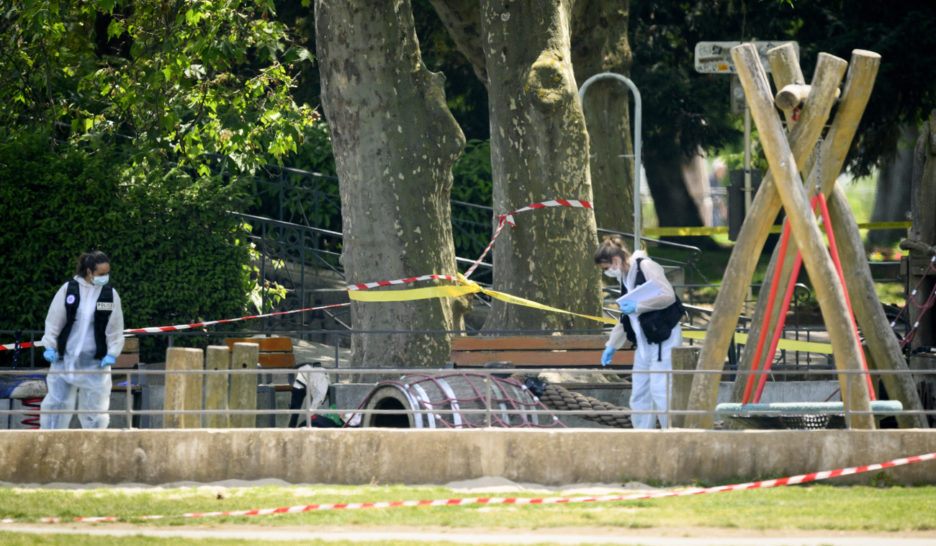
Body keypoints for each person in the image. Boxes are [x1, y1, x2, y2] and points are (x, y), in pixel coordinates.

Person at [594, 237, 683, 429]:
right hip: (644, 342)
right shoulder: (625, 279)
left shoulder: (646, 266)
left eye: (605, 268)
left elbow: (667, 295)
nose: (606, 272)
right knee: (640, 393)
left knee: (661, 390)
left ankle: (673, 432)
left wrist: (639, 305)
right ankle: (642, 434)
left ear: (616, 261)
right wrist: (611, 345)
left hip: (663, 339)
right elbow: (627, 318)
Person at [39, 251, 124, 429]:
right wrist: (50, 345)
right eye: (101, 274)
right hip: (65, 359)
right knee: (56, 406)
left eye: (107, 273)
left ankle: (93, 450)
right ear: (88, 271)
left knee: (96, 411)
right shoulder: (69, 290)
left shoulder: (109, 295)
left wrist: (112, 352)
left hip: (95, 363)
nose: (105, 277)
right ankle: (50, 446)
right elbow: (55, 320)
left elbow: (115, 328)